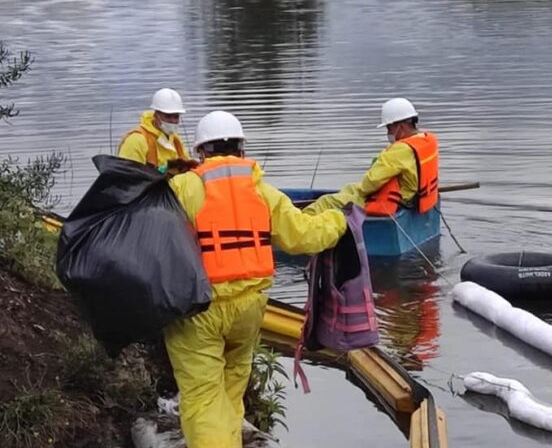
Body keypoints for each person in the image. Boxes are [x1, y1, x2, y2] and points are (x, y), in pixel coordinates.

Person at [164, 110, 347, 447]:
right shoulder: (262, 190)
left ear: (200, 152)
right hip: (250, 307)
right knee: (233, 386)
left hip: (199, 309)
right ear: (242, 149)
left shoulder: (182, 188)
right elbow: (303, 236)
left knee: (203, 397)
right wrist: (338, 219)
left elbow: (154, 244)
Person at [303, 97, 439, 217]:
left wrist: (359, 193)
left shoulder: (399, 150)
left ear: (401, 127)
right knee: (349, 188)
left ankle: (301, 224)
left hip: (394, 202)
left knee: (326, 201)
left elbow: (370, 184)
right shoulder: (427, 141)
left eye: (389, 128)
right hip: (416, 198)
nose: (388, 133)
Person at [117, 88, 191, 169]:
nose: (172, 121)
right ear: (156, 115)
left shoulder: (176, 140)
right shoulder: (136, 140)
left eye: (176, 117)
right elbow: (128, 176)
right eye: (168, 116)